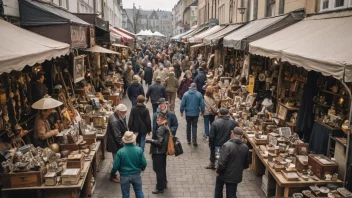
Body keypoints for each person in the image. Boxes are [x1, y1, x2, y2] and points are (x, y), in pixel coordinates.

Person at [215, 127, 249, 198]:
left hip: (224, 173)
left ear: (233, 134)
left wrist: (218, 171)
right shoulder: (245, 147)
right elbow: (246, 164)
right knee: (232, 193)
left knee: (218, 188)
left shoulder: (227, 145)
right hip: (235, 175)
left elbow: (222, 162)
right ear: (241, 136)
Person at [111, 131, 147, 198]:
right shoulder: (139, 150)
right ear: (133, 140)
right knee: (139, 192)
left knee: (125, 195)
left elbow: (115, 166)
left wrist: (112, 173)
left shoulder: (120, 152)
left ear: (124, 140)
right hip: (136, 174)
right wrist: (142, 168)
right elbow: (144, 163)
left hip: (124, 175)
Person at [146, 112, 170, 194]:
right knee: (162, 169)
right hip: (163, 152)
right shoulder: (165, 127)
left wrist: (149, 140)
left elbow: (159, 143)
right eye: (156, 119)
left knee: (158, 170)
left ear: (163, 120)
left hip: (158, 152)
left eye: (158, 119)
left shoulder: (160, 129)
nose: (157, 121)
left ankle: (160, 188)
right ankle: (164, 183)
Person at [107, 104, 128, 183]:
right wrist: (124, 145)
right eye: (123, 112)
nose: (124, 114)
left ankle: (116, 173)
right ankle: (113, 175)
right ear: (119, 111)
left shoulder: (117, 116)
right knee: (116, 161)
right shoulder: (114, 121)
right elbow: (117, 136)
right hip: (115, 145)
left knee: (117, 160)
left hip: (116, 143)